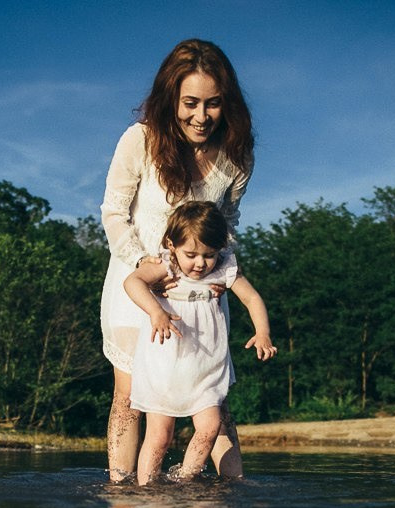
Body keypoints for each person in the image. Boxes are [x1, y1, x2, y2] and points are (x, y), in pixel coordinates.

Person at [100, 38, 255, 482]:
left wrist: (224, 273)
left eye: (213, 104)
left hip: (203, 293)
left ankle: (230, 502)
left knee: (215, 400)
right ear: (172, 99)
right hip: (136, 284)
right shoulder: (140, 140)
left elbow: (228, 221)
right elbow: (113, 211)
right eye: (190, 103)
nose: (201, 116)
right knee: (130, 395)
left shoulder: (236, 154)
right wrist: (145, 263)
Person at [124, 202, 276, 485]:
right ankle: (146, 491)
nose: (200, 263)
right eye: (191, 254)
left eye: (209, 255)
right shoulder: (165, 265)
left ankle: (184, 480)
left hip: (206, 365)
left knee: (209, 427)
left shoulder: (223, 269)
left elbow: (252, 298)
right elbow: (133, 282)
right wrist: (156, 311)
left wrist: (262, 332)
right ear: (172, 244)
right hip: (164, 365)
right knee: (159, 436)